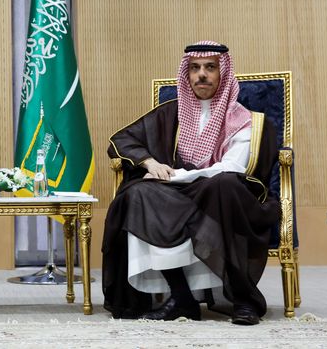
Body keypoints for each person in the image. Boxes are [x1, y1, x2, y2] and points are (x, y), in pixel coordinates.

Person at [102, 41, 280, 326]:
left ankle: (242, 299)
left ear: (223, 73)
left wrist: (176, 175)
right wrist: (151, 163)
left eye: (210, 68)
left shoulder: (244, 119)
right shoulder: (171, 113)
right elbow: (121, 140)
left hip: (227, 196)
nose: (202, 75)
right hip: (183, 193)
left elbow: (232, 168)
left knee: (221, 185)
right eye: (195, 68)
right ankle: (181, 296)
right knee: (137, 193)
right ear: (186, 74)